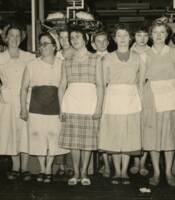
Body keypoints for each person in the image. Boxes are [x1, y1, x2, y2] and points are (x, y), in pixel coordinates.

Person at [20, 32, 69, 183]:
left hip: (55, 106)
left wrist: (63, 109)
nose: (43, 46)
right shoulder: (32, 65)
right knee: (38, 138)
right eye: (41, 44)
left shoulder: (63, 64)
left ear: (55, 46)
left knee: (54, 138)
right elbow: (23, 88)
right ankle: (42, 169)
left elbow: (63, 87)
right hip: (36, 107)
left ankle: (49, 168)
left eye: (46, 43)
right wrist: (23, 108)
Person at [58, 26, 103, 186]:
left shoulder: (96, 59)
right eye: (72, 38)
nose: (75, 40)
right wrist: (61, 108)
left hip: (89, 103)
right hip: (71, 104)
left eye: (78, 37)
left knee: (87, 142)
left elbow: (100, 85)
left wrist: (98, 108)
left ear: (85, 38)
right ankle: (76, 172)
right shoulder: (66, 61)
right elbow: (62, 85)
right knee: (74, 141)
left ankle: (84, 172)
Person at [99, 23, 143, 185]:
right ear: (114, 38)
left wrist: (141, 104)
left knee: (128, 137)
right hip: (112, 101)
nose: (123, 39)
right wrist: (101, 106)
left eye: (125, 35)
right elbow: (102, 84)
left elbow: (140, 83)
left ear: (130, 38)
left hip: (132, 100)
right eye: (119, 35)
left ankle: (124, 172)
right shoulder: (107, 58)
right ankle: (117, 171)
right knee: (114, 137)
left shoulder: (138, 57)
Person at [142, 19, 175, 186]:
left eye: (162, 32)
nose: (159, 35)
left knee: (170, 137)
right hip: (151, 100)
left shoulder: (174, 53)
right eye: (155, 32)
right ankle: (156, 172)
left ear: (168, 34)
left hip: (171, 99)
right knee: (153, 137)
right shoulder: (144, 55)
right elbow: (141, 81)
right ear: (150, 35)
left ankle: (169, 172)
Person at [0, 23, 35, 181]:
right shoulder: (0, 58)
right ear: (5, 38)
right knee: (11, 132)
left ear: (22, 38)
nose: (14, 39)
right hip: (7, 100)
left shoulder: (30, 57)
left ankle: (25, 168)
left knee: (25, 132)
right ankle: (15, 166)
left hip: (25, 99)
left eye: (18, 36)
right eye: (11, 35)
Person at [130, 24, 150, 176]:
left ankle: (143, 163)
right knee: (134, 127)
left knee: (146, 128)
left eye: (145, 35)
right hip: (131, 92)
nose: (142, 38)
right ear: (134, 37)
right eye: (139, 35)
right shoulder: (128, 51)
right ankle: (136, 162)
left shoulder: (152, 52)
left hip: (149, 91)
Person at [92, 30, 111, 178]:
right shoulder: (90, 59)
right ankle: (105, 162)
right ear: (93, 44)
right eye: (98, 41)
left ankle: (109, 163)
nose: (102, 44)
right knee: (99, 132)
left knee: (109, 130)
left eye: (104, 41)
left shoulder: (113, 57)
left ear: (109, 42)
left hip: (111, 97)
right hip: (94, 97)